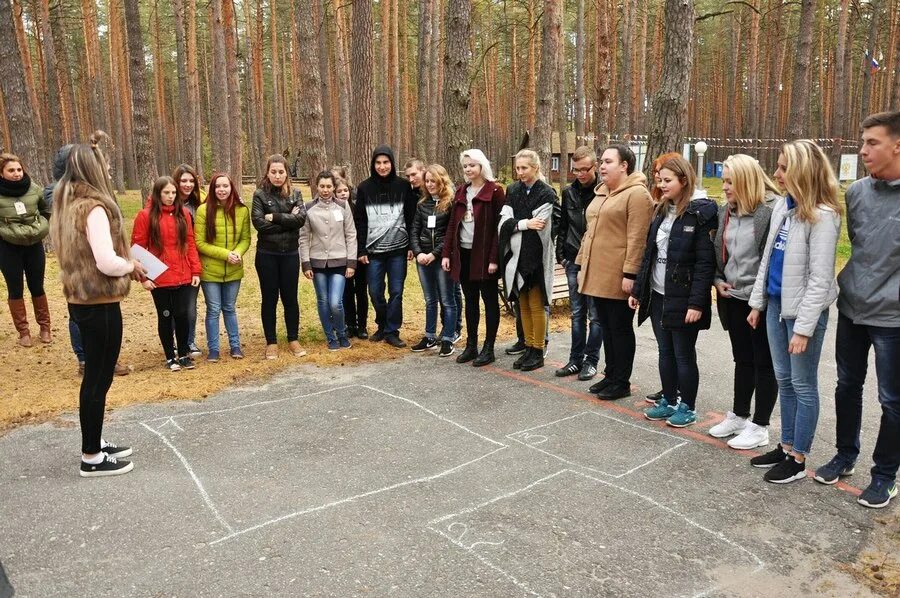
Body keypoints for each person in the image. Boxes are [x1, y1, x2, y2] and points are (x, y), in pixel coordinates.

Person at [815, 110, 900, 508]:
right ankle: (845, 454)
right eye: (862, 141)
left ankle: (884, 474)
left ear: (897, 145)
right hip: (851, 309)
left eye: (872, 142)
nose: (863, 149)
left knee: (892, 400)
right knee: (846, 386)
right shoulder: (857, 193)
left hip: (893, 319)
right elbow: (859, 248)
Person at [746, 140, 842, 484]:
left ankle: (798, 457)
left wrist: (804, 328)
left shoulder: (824, 216)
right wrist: (758, 303)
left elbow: (819, 279)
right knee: (784, 380)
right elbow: (768, 260)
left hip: (802, 315)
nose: (776, 173)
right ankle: (785, 446)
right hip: (775, 306)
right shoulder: (783, 208)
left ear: (802, 170)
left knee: (803, 385)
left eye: (784, 167)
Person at [50, 141, 147, 477]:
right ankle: (91, 456)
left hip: (80, 300)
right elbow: (106, 262)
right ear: (91, 168)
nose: (108, 169)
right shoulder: (93, 207)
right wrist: (131, 264)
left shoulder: (67, 203)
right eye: (103, 164)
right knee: (97, 379)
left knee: (94, 378)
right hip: (99, 303)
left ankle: (94, 440)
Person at [631, 155, 717, 427]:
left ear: (683, 180)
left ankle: (687, 407)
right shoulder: (661, 210)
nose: (662, 184)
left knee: (683, 353)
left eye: (667, 180)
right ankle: (668, 399)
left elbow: (705, 264)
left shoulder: (699, 213)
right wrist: (638, 289)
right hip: (658, 294)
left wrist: (696, 303)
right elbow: (649, 254)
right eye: (659, 179)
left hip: (683, 297)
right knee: (664, 351)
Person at [709, 154, 779, 449]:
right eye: (724, 181)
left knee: (764, 362)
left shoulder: (771, 212)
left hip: (759, 301)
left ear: (746, 181)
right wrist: (717, 280)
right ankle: (739, 415)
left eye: (729, 182)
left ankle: (760, 425)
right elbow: (718, 255)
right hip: (733, 298)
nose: (724, 187)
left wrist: (758, 301)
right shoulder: (726, 212)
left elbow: (772, 260)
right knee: (743, 359)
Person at [576, 145, 653, 400]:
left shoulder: (637, 195)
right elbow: (589, 233)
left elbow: (638, 238)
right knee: (606, 328)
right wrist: (580, 264)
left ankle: (621, 382)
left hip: (619, 275)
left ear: (624, 166)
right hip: (597, 273)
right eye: (602, 161)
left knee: (620, 329)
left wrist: (630, 275)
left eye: (608, 161)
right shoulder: (602, 193)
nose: (602, 166)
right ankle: (610, 375)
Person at [442, 149, 506, 366]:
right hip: (464, 254)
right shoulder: (461, 191)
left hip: (485, 256)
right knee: (470, 300)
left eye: (472, 165)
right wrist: (447, 254)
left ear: (482, 166)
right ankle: (472, 345)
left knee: (489, 301)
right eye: (465, 166)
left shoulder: (495, 191)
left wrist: (494, 258)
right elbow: (452, 225)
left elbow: (500, 228)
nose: (468, 169)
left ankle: (489, 348)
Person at [131, 176, 202, 371]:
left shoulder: (184, 214)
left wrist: (195, 270)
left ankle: (184, 353)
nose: (170, 197)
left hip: (183, 274)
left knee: (183, 315)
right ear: (158, 194)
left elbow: (190, 244)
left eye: (173, 193)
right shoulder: (145, 216)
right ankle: (170, 356)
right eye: (166, 193)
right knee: (166, 315)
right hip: (159, 277)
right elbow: (137, 249)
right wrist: (144, 278)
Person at [499, 149, 557, 371]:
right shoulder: (512, 190)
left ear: (536, 168)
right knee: (522, 304)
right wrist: (523, 224)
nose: (520, 172)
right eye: (518, 168)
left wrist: (515, 223)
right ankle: (528, 346)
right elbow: (503, 222)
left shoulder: (546, 193)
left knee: (536, 305)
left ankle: (538, 350)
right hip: (517, 258)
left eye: (524, 168)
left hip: (537, 258)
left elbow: (540, 225)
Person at [354, 146, 417, 348]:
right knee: (375, 291)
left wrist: (411, 246)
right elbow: (360, 221)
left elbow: (411, 217)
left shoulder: (403, 186)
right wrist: (361, 250)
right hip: (373, 252)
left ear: (392, 163)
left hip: (398, 250)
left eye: (386, 162)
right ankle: (382, 325)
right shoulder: (364, 188)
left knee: (396, 291)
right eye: (378, 163)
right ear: (373, 164)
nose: (382, 166)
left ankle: (392, 331)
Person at [554, 146, 603, 381]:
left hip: (595, 260)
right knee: (577, 312)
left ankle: (591, 361)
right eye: (577, 170)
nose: (581, 174)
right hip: (573, 257)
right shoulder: (568, 192)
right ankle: (575, 359)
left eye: (585, 169)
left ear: (595, 167)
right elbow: (563, 224)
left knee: (595, 314)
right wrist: (561, 254)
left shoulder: (604, 191)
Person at [251, 155, 308, 359]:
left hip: (290, 254)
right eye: (273, 172)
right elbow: (259, 224)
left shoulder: (296, 194)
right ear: (267, 172)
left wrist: (274, 217)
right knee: (270, 299)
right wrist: (288, 219)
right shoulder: (259, 195)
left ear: (287, 173)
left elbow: (300, 219)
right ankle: (271, 342)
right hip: (267, 255)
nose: (277, 176)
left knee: (290, 298)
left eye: (281, 172)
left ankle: (293, 338)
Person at [195, 172, 251, 362]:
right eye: (218, 186)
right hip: (210, 270)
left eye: (225, 186)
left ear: (231, 187)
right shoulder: (203, 211)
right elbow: (200, 243)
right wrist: (226, 255)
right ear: (212, 189)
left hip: (234, 269)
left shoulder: (242, 210)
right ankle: (214, 349)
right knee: (213, 309)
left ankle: (235, 346)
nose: (222, 190)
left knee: (229, 307)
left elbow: (246, 239)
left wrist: (237, 253)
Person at [406, 158, 463, 344]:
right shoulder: (422, 204)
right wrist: (418, 252)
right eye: (427, 181)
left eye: (433, 181)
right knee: (430, 300)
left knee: (447, 300)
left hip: (441, 258)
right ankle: (429, 335)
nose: (430, 184)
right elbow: (414, 230)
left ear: (442, 181)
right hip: (423, 257)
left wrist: (434, 254)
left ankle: (448, 336)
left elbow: (450, 234)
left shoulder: (450, 204)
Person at [300, 171, 357, 350]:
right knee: (323, 300)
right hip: (317, 262)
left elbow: (351, 234)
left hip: (339, 261)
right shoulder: (308, 208)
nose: (325, 190)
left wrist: (351, 262)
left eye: (329, 186)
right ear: (317, 187)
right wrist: (306, 263)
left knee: (335, 302)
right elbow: (303, 237)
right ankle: (330, 336)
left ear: (334, 187)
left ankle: (341, 332)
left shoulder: (343, 206)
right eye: (322, 186)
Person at [0, 153, 51, 347]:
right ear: (2, 173)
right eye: (11, 170)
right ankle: (23, 332)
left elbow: (46, 210)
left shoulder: (34, 189)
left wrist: (40, 227)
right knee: (15, 289)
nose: (16, 174)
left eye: (19, 169)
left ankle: (45, 328)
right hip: (7, 248)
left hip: (33, 245)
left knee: (37, 286)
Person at [172, 164, 205, 357]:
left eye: (191, 181)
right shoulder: (165, 202)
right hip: (172, 262)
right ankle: (172, 343)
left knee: (190, 305)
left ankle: (189, 341)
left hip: (192, 261)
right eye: (183, 181)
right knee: (173, 306)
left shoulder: (198, 205)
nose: (187, 184)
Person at [335, 174, 369, 339]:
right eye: (339, 191)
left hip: (359, 255)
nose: (343, 193)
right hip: (342, 256)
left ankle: (362, 325)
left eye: (345, 190)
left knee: (361, 290)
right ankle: (350, 324)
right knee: (346, 291)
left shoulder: (357, 207)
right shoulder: (335, 210)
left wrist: (362, 251)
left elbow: (362, 230)